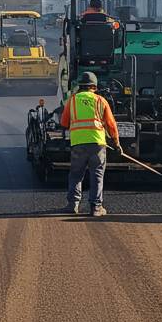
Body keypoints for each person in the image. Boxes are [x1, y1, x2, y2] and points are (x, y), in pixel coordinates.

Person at [60, 71, 120, 217]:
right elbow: (111, 125)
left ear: (80, 86)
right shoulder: (101, 101)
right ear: (94, 86)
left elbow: (63, 122)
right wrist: (117, 143)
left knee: (76, 174)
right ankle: (96, 208)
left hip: (78, 143)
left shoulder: (72, 101)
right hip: (97, 143)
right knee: (97, 174)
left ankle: (73, 205)